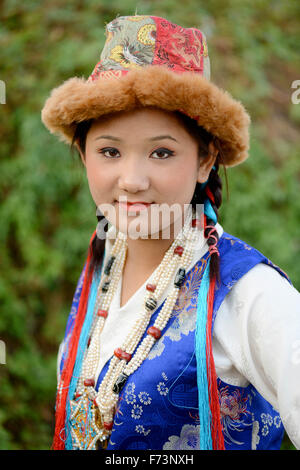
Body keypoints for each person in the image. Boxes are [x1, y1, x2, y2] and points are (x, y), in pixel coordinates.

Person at [41, 14, 300, 451]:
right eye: (109, 150)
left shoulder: (248, 293)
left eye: (161, 152)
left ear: (205, 160)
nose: (132, 179)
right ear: (83, 154)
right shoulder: (101, 268)